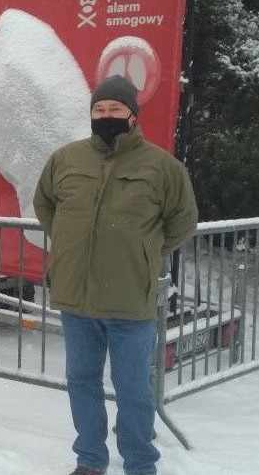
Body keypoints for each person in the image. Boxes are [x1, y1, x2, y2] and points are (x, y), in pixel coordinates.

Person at [32, 75, 198, 475]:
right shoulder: (66, 159)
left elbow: (183, 221)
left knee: (134, 391)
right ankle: (90, 459)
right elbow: (45, 206)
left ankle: (140, 463)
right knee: (82, 383)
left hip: (128, 301)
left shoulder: (162, 167)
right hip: (78, 299)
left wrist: (144, 252)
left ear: (132, 116)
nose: (106, 116)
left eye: (115, 110)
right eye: (99, 110)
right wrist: (73, 241)